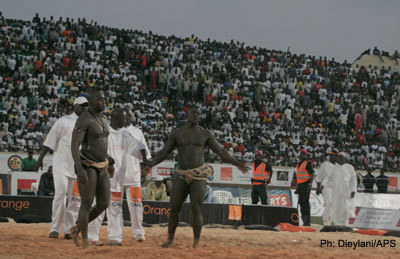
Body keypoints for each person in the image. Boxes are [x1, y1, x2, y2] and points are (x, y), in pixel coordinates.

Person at [144, 106, 249, 248]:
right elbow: (164, 152)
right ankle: (170, 239)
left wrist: (236, 163)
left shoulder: (205, 134)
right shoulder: (177, 133)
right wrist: (151, 163)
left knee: (196, 208)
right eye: (193, 113)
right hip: (181, 174)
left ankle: (196, 242)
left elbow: (220, 151)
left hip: (199, 175)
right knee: (174, 208)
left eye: (198, 114)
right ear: (187, 114)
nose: (196, 116)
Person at [87, 109, 148, 247]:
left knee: (115, 207)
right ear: (115, 118)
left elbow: (140, 147)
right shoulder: (103, 131)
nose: (126, 120)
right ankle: (91, 236)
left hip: (117, 180)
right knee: (98, 206)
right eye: (123, 118)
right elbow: (94, 149)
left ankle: (115, 238)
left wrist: (145, 162)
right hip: (100, 176)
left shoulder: (125, 134)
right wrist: (107, 163)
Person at [35, 96, 88, 239]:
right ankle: (55, 228)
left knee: (75, 201)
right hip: (60, 166)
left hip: (77, 169)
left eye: (86, 106)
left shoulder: (87, 124)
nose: (85, 108)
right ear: (75, 106)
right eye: (82, 106)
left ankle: (68, 230)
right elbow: (49, 142)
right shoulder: (63, 121)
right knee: (60, 196)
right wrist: (40, 160)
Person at [70, 91, 115, 249]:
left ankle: (77, 228)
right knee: (86, 204)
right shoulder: (85, 119)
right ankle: (84, 240)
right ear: (91, 102)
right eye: (99, 99)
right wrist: (79, 168)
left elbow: (100, 142)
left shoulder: (103, 117)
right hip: (88, 165)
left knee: (103, 204)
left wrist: (109, 159)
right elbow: (75, 144)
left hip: (102, 165)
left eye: (104, 99)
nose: (103, 102)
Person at [121, 108, 151, 242]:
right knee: (114, 206)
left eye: (130, 116)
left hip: (133, 175)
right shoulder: (114, 131)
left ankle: (138, 231)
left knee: (136, 206)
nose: (128, 118)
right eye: (126, 115)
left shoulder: (137, 132)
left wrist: (144, 172)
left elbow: (145, 154)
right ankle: (115, 233)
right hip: (115, 176)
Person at [329, 152, 357, 226]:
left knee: (346, 208)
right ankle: (336, 223)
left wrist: (353, 190)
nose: (339, 158)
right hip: (336, 192)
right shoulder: (334, 167)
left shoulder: (349, 167)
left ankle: (345, 224)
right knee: (336, 208)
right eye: (338, 157)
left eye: (341, 157)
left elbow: (353, 179)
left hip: (346, 192)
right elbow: (329, 178)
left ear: (344, 159)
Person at [294, 149, 314, 226]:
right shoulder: (298, 164)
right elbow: (299, 177)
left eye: (303, 154)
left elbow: (312, 174)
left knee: (305, 203)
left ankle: (307, 221)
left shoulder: (307, 163)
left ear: (306, 155)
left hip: (306, 185)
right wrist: (297, 188)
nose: (301, 155)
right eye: (301, 153)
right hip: (300, 185)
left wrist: (309, 185)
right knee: (301, 203)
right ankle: (304, 220)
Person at [316, 152, 337, 226]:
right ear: (330, 157)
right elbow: (319, 177)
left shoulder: (338, 166)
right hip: (326, 186)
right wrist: (318, 188)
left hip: (335, 188)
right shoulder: (325, 165)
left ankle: (330, 221)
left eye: (336, 156)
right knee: (329, 203)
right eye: (334, 156)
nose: (336, 158)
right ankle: (326, 222)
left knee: (333, 205)